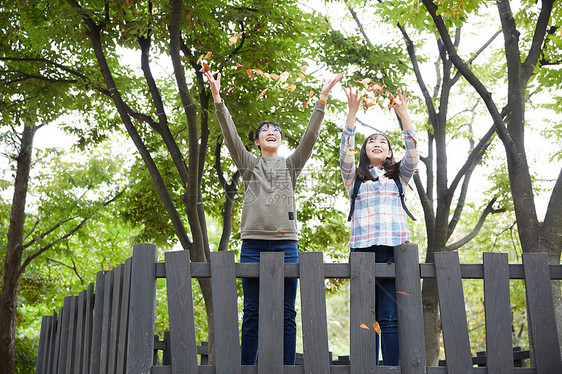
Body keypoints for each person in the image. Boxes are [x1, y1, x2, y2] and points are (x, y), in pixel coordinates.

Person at [206, 70, 343, 365]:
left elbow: (310, 137)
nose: (271, 132)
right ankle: (246, 366)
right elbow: (229, 135)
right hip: (253, 245)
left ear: (279, 139)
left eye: (276, 130)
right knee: (253, 312)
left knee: (286, 311)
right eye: (265, 129)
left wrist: (322, 98)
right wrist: (218, 99)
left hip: (286, 244)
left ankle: (286, 367)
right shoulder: (249, 165)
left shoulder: (291, 165)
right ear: (256, 141)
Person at [340, 86, 419, 366]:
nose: (376, 143)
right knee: (365, 316)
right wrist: (352, 113)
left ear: (388, 151)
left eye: (382, 141)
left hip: (394, 249)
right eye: (371, 140)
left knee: (390, 316)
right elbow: (345, 150)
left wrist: (403, 114)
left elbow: (413, 150)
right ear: (364, 149)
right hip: (362, 250)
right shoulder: (354, 177)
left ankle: (392, 368)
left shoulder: (400, 175)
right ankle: (365, 368)